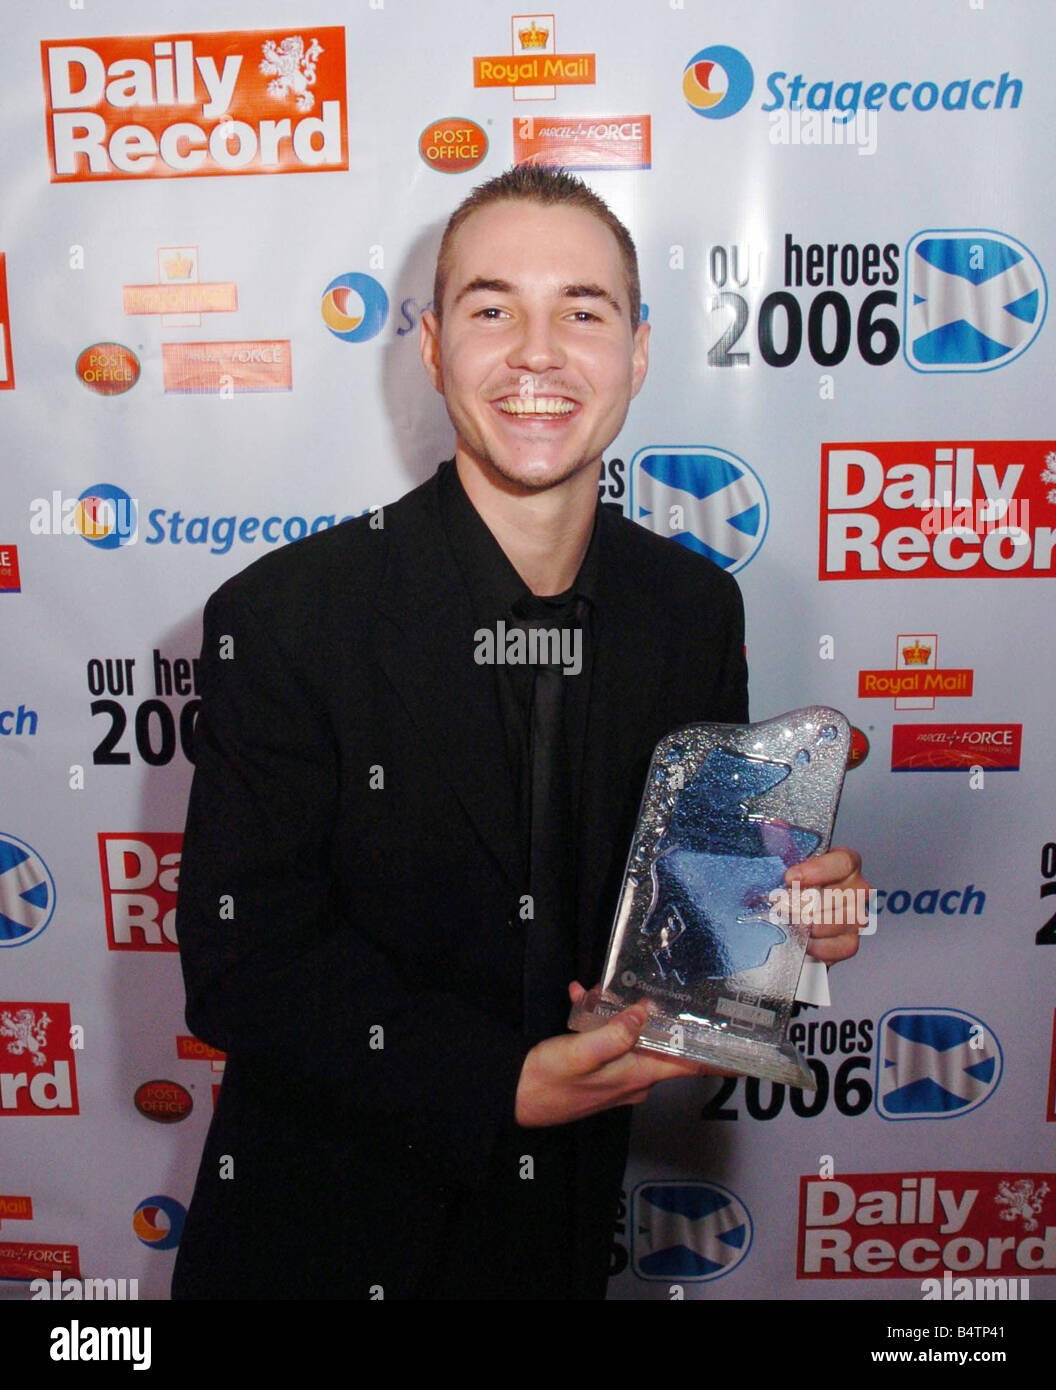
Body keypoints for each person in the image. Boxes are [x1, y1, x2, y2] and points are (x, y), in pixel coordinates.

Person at [171, 166, 866, 1302]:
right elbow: (244, 964)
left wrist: (781, 910)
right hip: (324, 1234)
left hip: (560, 1234)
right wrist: (504, 1081)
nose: (537, 354)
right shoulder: (288, 615)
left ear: (637, 352)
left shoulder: (693, 611)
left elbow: (683, 915)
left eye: (581, 312)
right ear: (436, 348)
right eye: (494, 310)